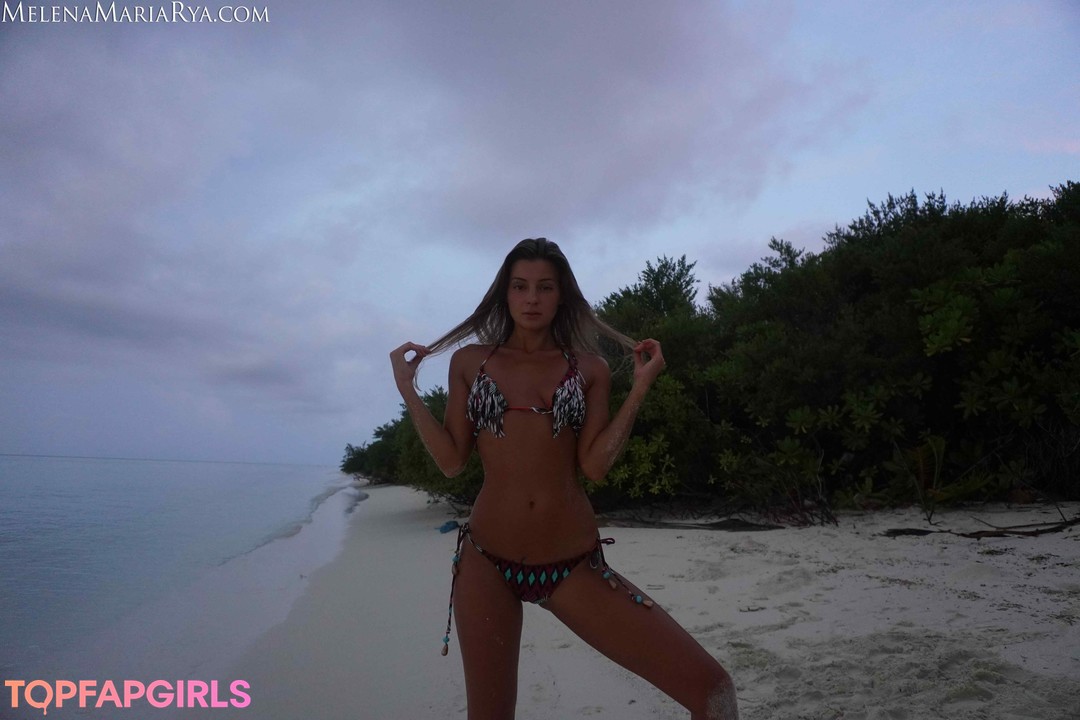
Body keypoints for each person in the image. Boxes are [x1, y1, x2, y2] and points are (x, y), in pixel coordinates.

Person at [390, 238, 739, 720]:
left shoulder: (589, 369)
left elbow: (595, 466)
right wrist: (407, 390)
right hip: (486, 561)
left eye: (545, 287)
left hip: (571, 565)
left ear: (561, 296)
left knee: (714, 693)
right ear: (505, 294)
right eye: (520, 286)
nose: (532, 298)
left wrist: (639, 389)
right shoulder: (471, 362)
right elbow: (452, 461)